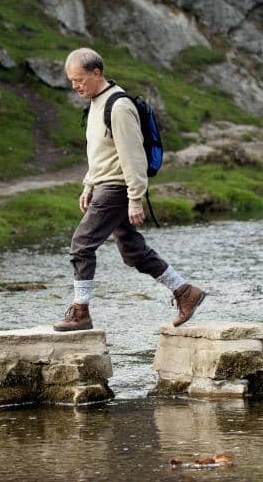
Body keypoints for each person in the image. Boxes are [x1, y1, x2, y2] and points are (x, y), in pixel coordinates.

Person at [53, 47, 206, 332]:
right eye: (71, 81)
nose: (75, 86)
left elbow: (132, 156)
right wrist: (88, 184)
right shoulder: (97, 102)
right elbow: (100, 153)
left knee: (81, 245)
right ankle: (185, 292)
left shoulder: (119, 106)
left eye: (79, 80)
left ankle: (81, 312)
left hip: (116, 188)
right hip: (103, 184)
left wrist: (135, 198)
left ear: (96, 72)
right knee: (132, 250)